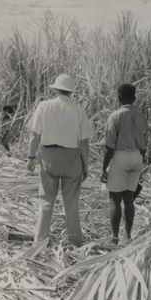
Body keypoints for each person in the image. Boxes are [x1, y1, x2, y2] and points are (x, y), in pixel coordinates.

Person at [27, 74, 93, 247]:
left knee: (46, 201)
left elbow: (35, 136)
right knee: (71, 202)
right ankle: (75, 240)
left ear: (55, 89)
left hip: (49, 158)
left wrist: (31, 158)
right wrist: (85, 166)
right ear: (71, 92)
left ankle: (40, 241)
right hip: (72, 159)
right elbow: (85, 142)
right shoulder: (78, 110)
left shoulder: (44, 106)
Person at [101, 84, 147, 245]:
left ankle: (114, 237)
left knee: (114, 199)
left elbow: (109, 146)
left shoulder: (115, 116)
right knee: (129, 200)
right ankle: (128, 236)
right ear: (134, 98)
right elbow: (143, 143)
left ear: (119, 98)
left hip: (121, 156)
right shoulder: (140, 116)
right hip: (137, 156)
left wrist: (104, 169)